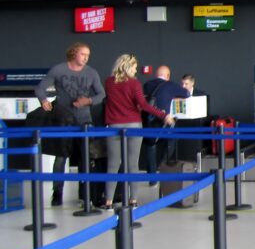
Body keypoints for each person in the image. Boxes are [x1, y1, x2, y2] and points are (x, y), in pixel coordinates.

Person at [34, 42, 105, 206]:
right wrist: (43, 100)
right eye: (83, 54)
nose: (86, 58)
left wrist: (88, 100)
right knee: (61, 157)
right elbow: (40, 88)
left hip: (84, 120)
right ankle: (57, 192)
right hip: (63, 120)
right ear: (74, 54)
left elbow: (101, 94)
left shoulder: (91, 73)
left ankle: (85, 193)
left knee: (86, 157)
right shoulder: (58, 70)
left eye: (88, 55)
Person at [103, 54, 174, 209]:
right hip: (133, 126)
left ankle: (108, 201)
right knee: (132, 164)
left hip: (113, 126)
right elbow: (143, 105)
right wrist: (163, 115)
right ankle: (133, 200)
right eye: (135, 67)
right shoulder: (134, 83)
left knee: (113, 164)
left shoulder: (108, 82)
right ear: (128, 66)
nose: (136, 70)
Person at [141, 66, 190, 175]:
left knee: (150, 145)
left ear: (156, 75)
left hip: (147, 120)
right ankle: (161, 165)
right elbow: (187, 94)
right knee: (172, 138)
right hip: (163, 120)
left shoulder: (147, 85)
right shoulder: (170, 85)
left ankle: (152, 176)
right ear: (167, 76)